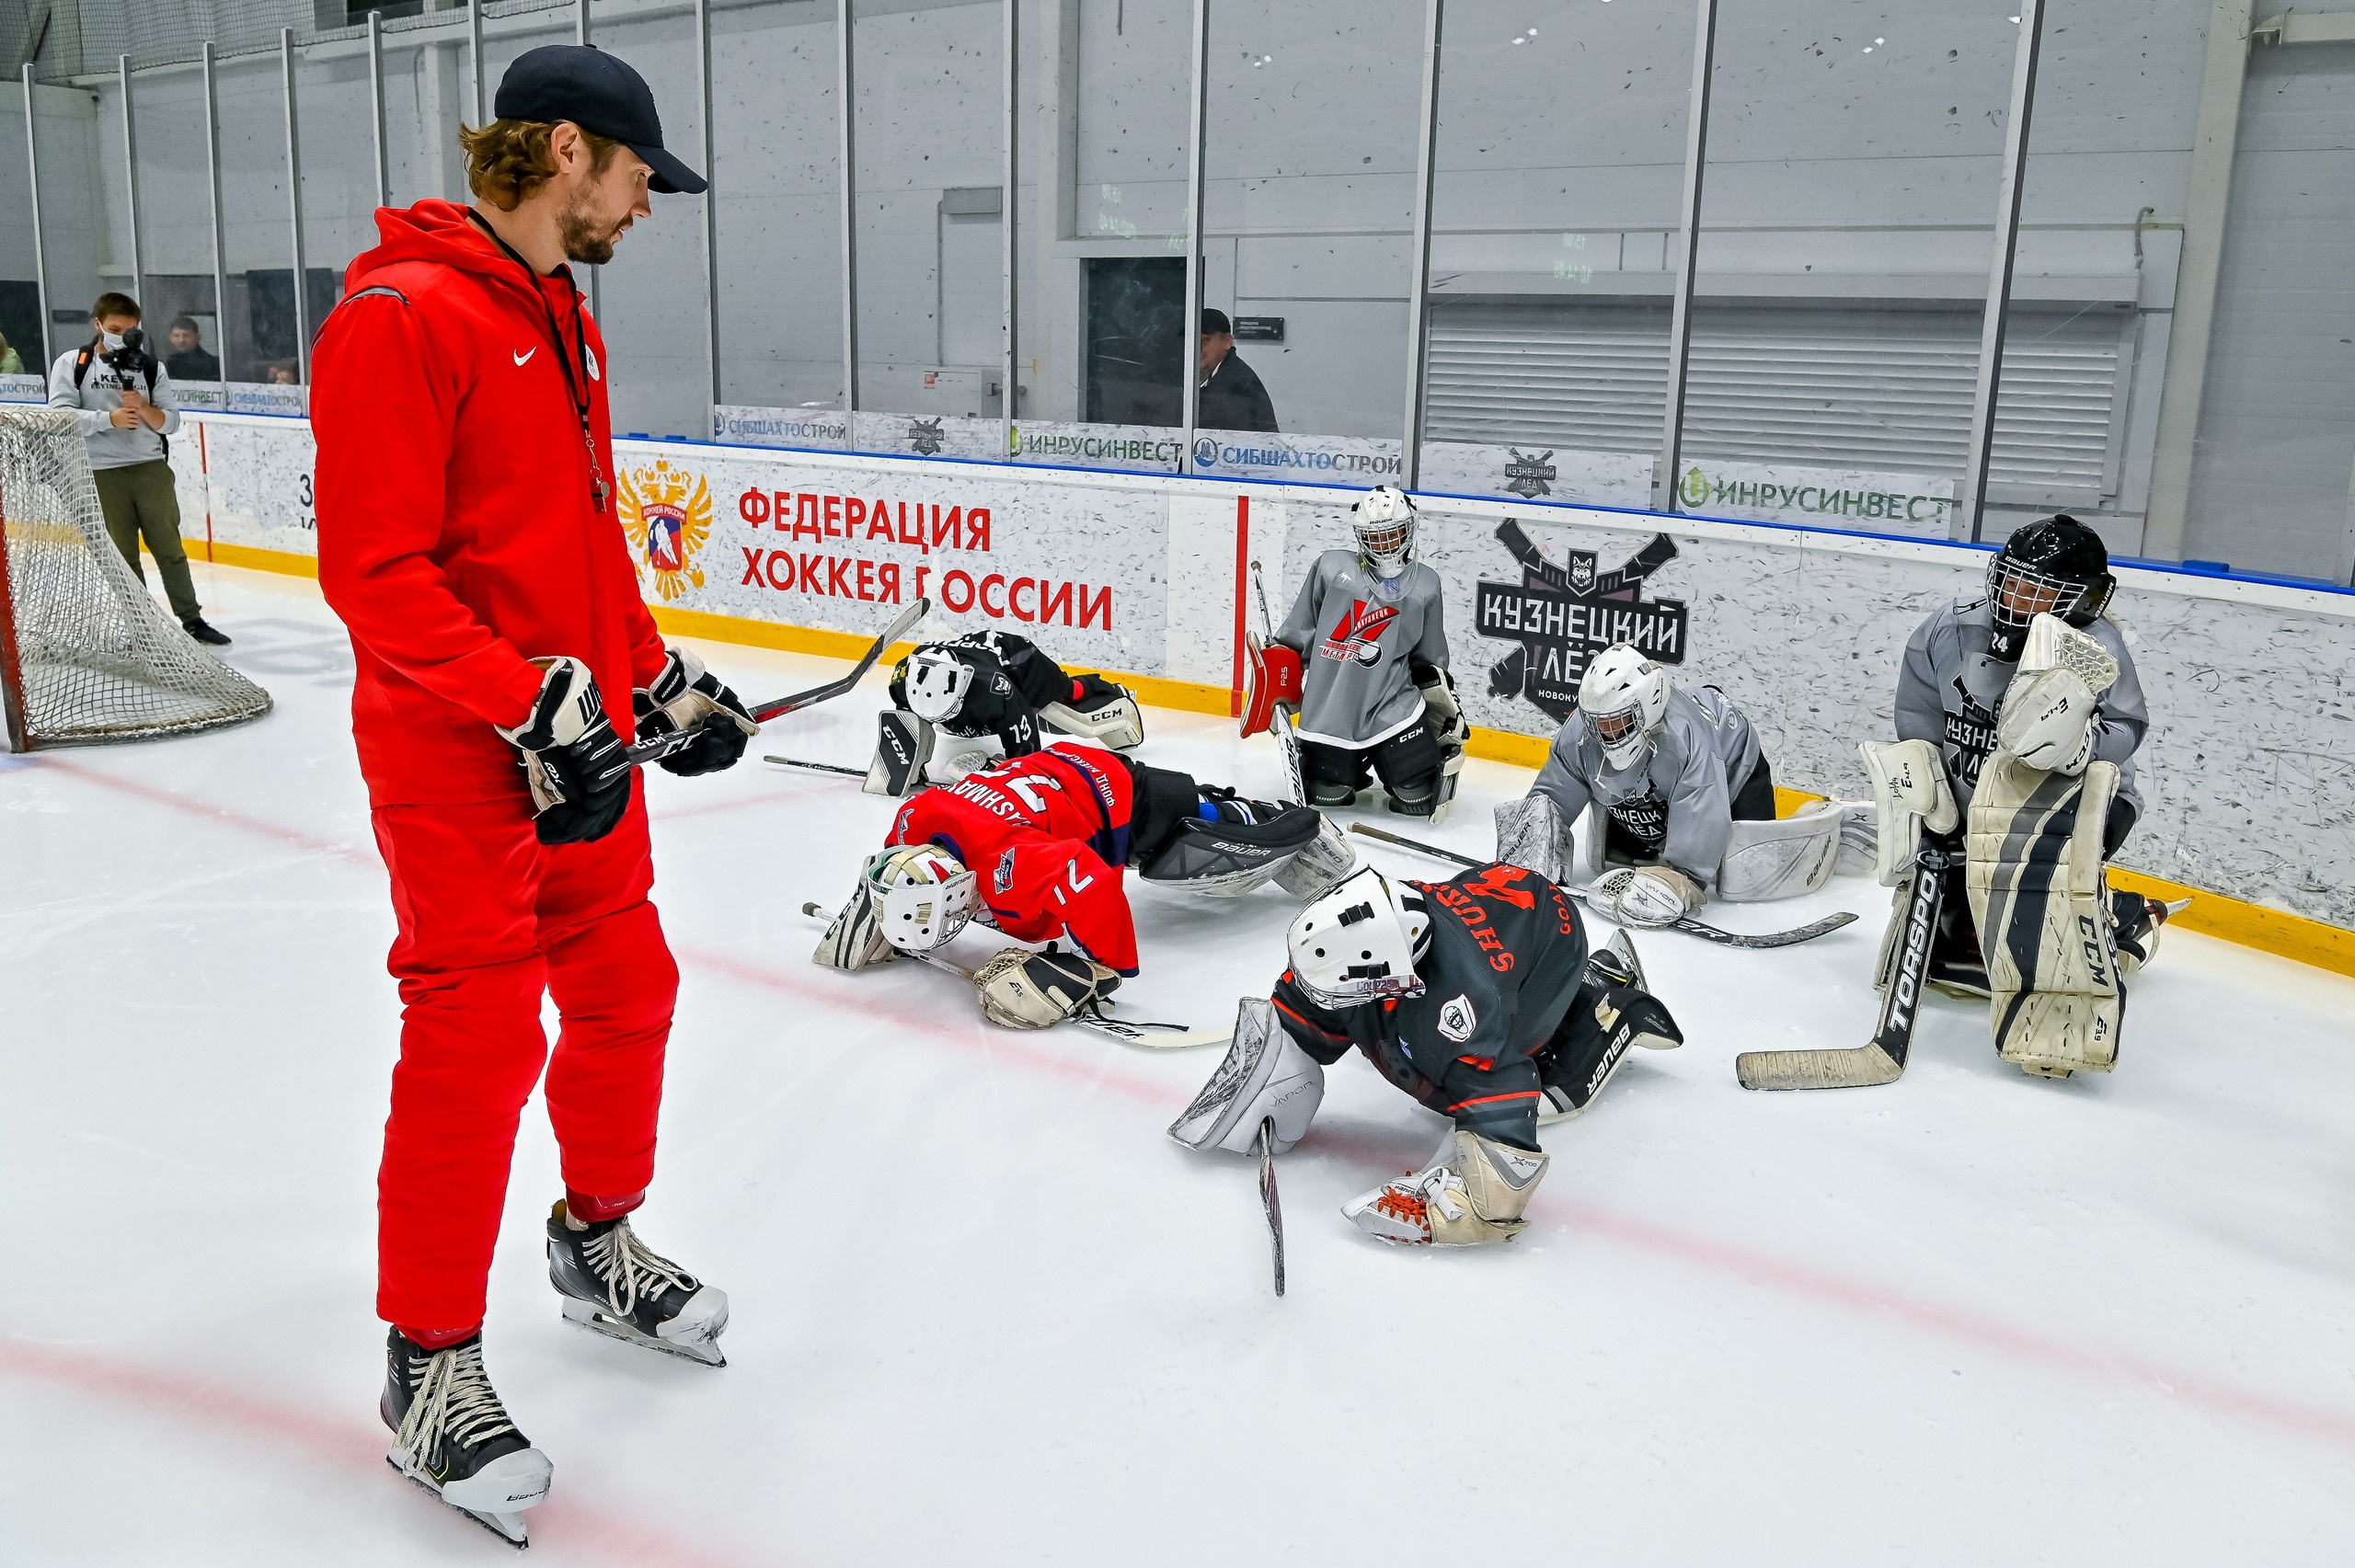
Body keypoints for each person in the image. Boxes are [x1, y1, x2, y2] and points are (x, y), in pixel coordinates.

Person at [310, 44, 741, 1548]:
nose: (645, 205)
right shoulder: (399, 317)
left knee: (628, 986)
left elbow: (583, 536)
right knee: (479, 1032)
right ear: (566, 151)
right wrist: (522, 696)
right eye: (637, 176)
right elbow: (373, 573)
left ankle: (594, 1240)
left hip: (577, 743)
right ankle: (427, 1367)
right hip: (456, 752)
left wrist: (651, 675)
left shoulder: (560, 315)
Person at [1169, 864, 1683, 1247]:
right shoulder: (1377, 923)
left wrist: (1482, 1194)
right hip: (1501, 897)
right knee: (1398, 1036)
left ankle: (1602, 1005)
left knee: (1539, 1092)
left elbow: (1505, 1102)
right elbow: (1322, 988)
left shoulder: (1463, 1007)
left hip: (1552, 941)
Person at [1867, 513, 2173, 1077]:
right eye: (2013, 582)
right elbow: (1918, 708)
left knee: (2038, 907)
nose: (2018, 600)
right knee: (1950, 929)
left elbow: (2127, 726)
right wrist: (1928, 778)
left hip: (2072, 804)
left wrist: (2082, 748)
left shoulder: (2094, 648)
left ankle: (2114, 931)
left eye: (2039, 591)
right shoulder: (1950, 628)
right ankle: (1964, 923)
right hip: (1969, 799)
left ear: (2084, 599)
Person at [816, 741, 1356, 1026]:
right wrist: (874, 907)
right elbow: (891, 864)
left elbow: (1090, 880)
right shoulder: (913, 821)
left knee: (1189, 838)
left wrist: (1097, 968)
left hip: (1109, 789)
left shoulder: (1011, 861)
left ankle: (1273, 817)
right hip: (1047, 770)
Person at [1494, 644, 1850, 926]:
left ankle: (1819, 823)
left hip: (1735, 769)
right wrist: (1533, 841)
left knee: (1746, 868)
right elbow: (1551, 799)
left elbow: (1702, 820)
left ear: (1648, 705)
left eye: (1617, 722)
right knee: (1628, 853)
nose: (1603, 735)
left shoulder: (1687, 739)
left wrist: (1680, 878)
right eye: (1596, 722)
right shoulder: (1581, 736)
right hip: (1654, 792)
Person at [1269, 485, 1465, 817]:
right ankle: (1338, 770)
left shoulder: (1426, 584)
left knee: (1417, 796)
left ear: (1410, 529)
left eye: (1393, 533)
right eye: (1375, 536)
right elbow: (1299, 632)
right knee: (1329, 794)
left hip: (1394, 709)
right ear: (1360, 537)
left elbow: (1429, 660)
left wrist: (1442, 706)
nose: (1385, 543)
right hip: (1331, 711)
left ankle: (1403, 767)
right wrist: (1278, 675)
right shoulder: (1332, 569)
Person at [46, 292, 229, 647]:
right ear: (97, 324)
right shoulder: (73, 363)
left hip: (150, 468)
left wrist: (144, 408)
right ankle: (142, 628)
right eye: (114, 329)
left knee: (170, 548)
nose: (122, 336)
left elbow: (171, 422)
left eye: (130, 331)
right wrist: (108, 419)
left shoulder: (150, 367)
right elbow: (60, 418)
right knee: (123, 555)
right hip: (101, 472)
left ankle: (192, 619)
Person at [865, 627, 1145, 795]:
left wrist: (1015, 772)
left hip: (1016, 659)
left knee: (1067, 701)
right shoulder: (904, 678)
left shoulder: (995, 689)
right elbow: (908, 717)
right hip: (971, 658)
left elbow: (1028, 752)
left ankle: (1114, 693)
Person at [1196, 307, 1278, 433]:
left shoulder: (1234, 384)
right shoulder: (1225, 373)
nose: (1198, 347)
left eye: (1205, 341)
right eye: (1193, 341)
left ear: (1227, 342)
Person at [164, 315, 221, 383]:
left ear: (198, 338)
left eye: (186, 335)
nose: (182, 340)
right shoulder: (168, 364)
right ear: (171, 339)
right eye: (176, 336)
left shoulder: (213, 365)